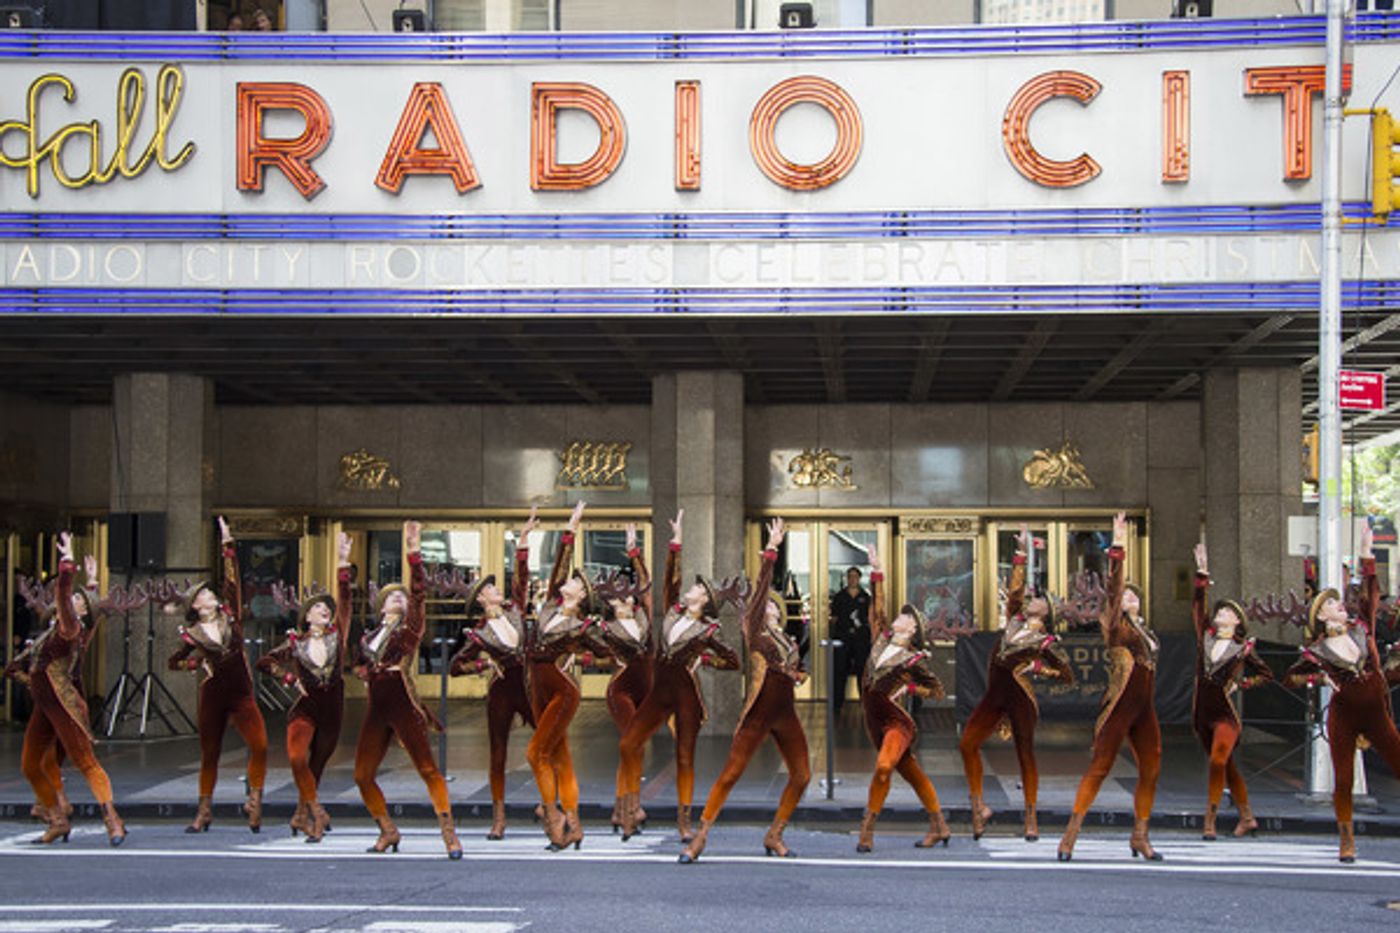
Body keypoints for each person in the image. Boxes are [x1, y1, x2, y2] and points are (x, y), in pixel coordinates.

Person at [680, 518, 810, 863]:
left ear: (778, 613)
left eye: (769, 604)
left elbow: (791, 669)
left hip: (785, 715)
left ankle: (775, 834)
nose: (764, 605)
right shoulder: (755, 633)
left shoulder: (786, 640)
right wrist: (771, 552)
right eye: (761, 603)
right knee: (732, 773)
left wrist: (798, 674)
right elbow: (761, 592)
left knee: (802, 775)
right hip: (758, 714)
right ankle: (700, 837)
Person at [615, 511, 739, 842]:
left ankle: (684, 822)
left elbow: (734, 660)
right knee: (629, 743)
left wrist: (705, 661)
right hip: (659, 691)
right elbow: (668, 579)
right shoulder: (672, 611)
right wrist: (675, 543)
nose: (690, 589)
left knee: (685, 757)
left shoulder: (707, 629)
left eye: (697, 589)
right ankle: (631, 809)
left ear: (704, 602)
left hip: (685, 694)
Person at [1284, 525, 1400, 863]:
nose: (1340, 606)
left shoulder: (1362, 628)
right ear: (1320, 614)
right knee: (1344, 777)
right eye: (1333, 603)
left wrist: (1367, 554)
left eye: (1339, 601)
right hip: (1344, 714)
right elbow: (1291, 677)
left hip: (1376, 711)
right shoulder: (1316, 650)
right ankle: (1346, 839)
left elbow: (1371, 593)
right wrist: (1321, 679)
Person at [352, 519, 462, 859]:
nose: (399, 598)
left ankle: (449, 835)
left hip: (403, 702)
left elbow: (418, 594)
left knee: (428, 768)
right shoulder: (369, 638)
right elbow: (359, 661)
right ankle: (387, 830)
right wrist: (362, 671)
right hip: (376, 707)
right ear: (382, 605)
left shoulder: (409, 631)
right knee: (362, 774)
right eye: (392, 596)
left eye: (401, 595)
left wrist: (414, 552)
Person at [958, 525, 1074, 842]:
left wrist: (1038, 667)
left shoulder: (1046, 640)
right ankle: (979, 805)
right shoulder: (1013, 619)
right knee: (968, 743)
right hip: (994, 695)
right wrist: (1020, 554)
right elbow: (1015, 591)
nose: (1032, 600)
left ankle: (1031, 816)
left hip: (1020, 698)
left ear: (1046, 612)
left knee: (1026, 753)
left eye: (1039, 600)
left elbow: (1066, 674)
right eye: (1032, 599)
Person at [1058, 512, 1163, 862]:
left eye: (1135, 595)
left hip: (1144, 709)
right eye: (1127, 595)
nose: (1130, 598)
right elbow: (1115, 591)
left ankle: (1140, 836)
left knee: (1152, 768)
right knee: (1100, 767)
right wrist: (1117, 548)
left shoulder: (1146, 633)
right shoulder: (1116, 626)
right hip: (1119, 704)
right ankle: (1069, 837)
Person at [19, 532, 126, 846]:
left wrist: (67, 565)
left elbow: (65, 597)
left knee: (86, 762)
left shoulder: (69, 627)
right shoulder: (73, 628)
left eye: (80, 601)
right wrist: (91, 585)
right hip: (45, 704)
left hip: (62, 704)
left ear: (79, 612)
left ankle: (112, 818)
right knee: (29, 765)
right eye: (77, 598)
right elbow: (81, 608)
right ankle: (57, 818)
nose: (72, 601)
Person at [168, 516, 269, 834]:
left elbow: (232, 582)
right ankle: (204, 811)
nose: (211, 595)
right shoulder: (192, 634)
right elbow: (174, 663)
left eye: (211, 593)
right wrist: (195, 665)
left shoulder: (231, 617)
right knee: (210, 753)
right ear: (196, 606)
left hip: (241, 692)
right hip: (213, 695)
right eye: (204, 595)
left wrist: (228, 545)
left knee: (261, 746)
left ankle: (254, 800)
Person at [256, 532, 353, 843]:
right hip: (306, 708)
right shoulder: (295, 643)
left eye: (328, 607)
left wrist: (342, 562)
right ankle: (317, 812)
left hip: (333, 708)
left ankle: (301, 815)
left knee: (317, 764)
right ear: (306, 616)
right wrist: (288, 679)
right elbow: (265, 661)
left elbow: (346, 601)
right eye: (318, 607)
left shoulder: (338, 636)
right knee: (297, 758)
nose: (325, 609)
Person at [449, 508, 539, 840]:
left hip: (527, 686)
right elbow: (455, 667)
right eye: (489, 588)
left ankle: (550, 803)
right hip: (502, 690)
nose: (495, 589)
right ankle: (498, 816)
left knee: (548, 741)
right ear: (481, 599)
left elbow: (522, 578)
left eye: (494, 586)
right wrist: (484, 665)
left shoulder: (515, 610)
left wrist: (524, 541)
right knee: (498, 751)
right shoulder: (479, 632)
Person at [854, 543, 950, 852]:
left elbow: (937, 690)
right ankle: (940, 825)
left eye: (907, 617)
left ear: (912, 630)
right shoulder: (880, 639)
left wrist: (909, 689)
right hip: (873, 720)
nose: (901, 616)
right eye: (901, 614)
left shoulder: (913, 659)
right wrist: (876, 570)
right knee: (910, 772)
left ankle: (866, 829)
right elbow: (877, 607)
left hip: (897, 722)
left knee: (884, 767)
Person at [527, 501, 602, 850]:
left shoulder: (581, 624)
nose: (566, 583)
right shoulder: (549, 608)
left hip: (561, 690)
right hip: (538, 688)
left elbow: (606, 650)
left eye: (574, 583)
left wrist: (581, 654)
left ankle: (554, 816)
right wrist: (569, 531)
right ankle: (575, 824)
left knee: (535, 754)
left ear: (582, 595)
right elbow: (558, 567)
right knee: (559, 756)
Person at [1190, 541, 1274, 841]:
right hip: (1201, 713)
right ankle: (1247, 816)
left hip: (1225, 714)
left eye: (1227, 611)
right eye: (1220, 610)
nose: (1221, 613)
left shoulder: (1243, 648)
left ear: (1237, 620)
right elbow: (1197, 607)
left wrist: (1243, 683)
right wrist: (1202, 574)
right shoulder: (1206, 639)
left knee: (1217, 761)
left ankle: (1209, 821)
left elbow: (1266, 673)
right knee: (1228, 766)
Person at [594, 520, 661, 833]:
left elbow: (646, 585)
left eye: (629, 596)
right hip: (621, 688)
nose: (628, 599)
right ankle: (631, 810)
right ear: (611, 602)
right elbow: (590, 651)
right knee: (632, 744)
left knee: (635, 747)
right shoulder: (605, 629)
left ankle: (621, 810)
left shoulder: (643, 618)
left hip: (646, 689)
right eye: (621, 597)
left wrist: (635, 550)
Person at [828, 565, 871, 714]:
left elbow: (871, 619)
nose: (852, 579)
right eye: (850, 576)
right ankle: (837, 705)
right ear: (847, 579)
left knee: (862, 671)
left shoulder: (865, 597)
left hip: (861, 640)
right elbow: (833, 618)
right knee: (839, 670)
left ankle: (865, 704)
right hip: (843, 638)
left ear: (859, 578)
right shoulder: (839, 597)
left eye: (855, 576)